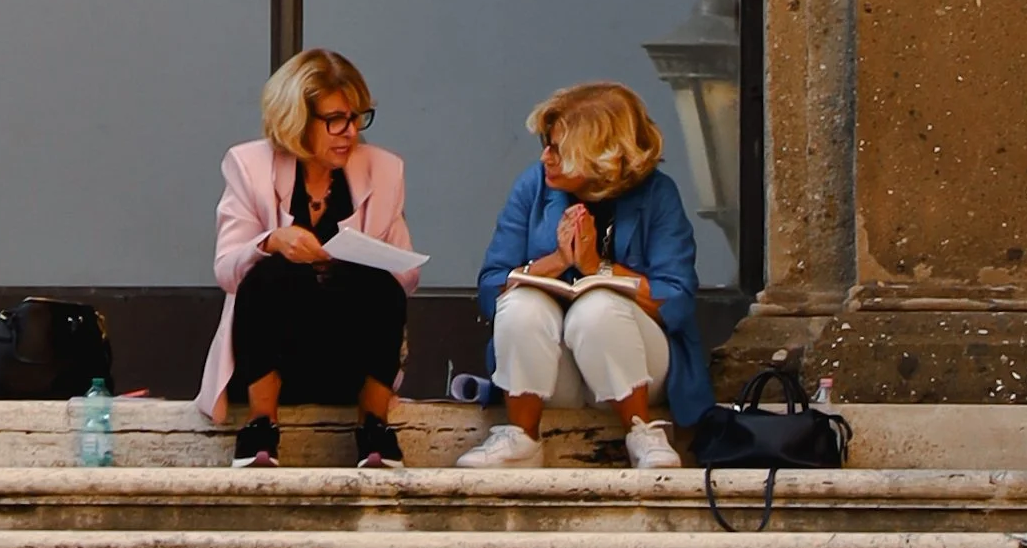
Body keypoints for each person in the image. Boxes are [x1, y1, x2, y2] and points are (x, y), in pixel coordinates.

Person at [461, 81, 705, 473]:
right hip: (554, 372)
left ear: (599, 154)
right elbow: (491, 288)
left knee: (599, 306)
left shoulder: (658, 195)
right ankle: (522, 437)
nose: (545, 157)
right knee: (520, 302)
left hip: (638, 364)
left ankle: (642, 431)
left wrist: (599, 270)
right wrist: (555, 262)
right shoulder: (533, 187)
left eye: (557, 148)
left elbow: (675, 302)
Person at [206, 50, 416, 469]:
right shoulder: (249, 165)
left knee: (376, 283)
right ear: (297, 121)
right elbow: (227, 270)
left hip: (350, 354)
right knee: (273, 274)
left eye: (357, 118)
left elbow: (406, 275)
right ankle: (261, 426)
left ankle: (374, 427)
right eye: (335, 119)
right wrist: (271, 241)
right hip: (278, 354)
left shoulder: (384, 169)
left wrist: (355, 262)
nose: (350, 132)